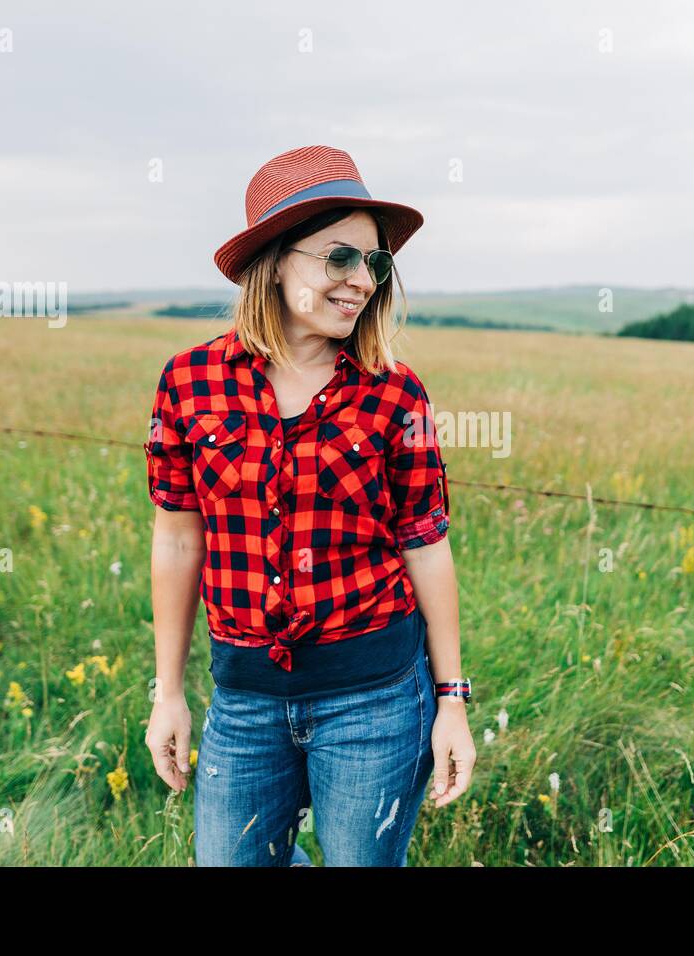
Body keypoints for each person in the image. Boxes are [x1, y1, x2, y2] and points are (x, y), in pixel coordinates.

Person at [142, 145, 476, 866]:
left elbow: (425, 541)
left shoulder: (394, 391)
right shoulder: (190, 381)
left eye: (375, 264)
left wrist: (451, 700)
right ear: (275, 258)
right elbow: (176, 540)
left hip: (378, 703)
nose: (362, 281)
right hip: (244, 702)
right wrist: (167, 692)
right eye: (340, 258)